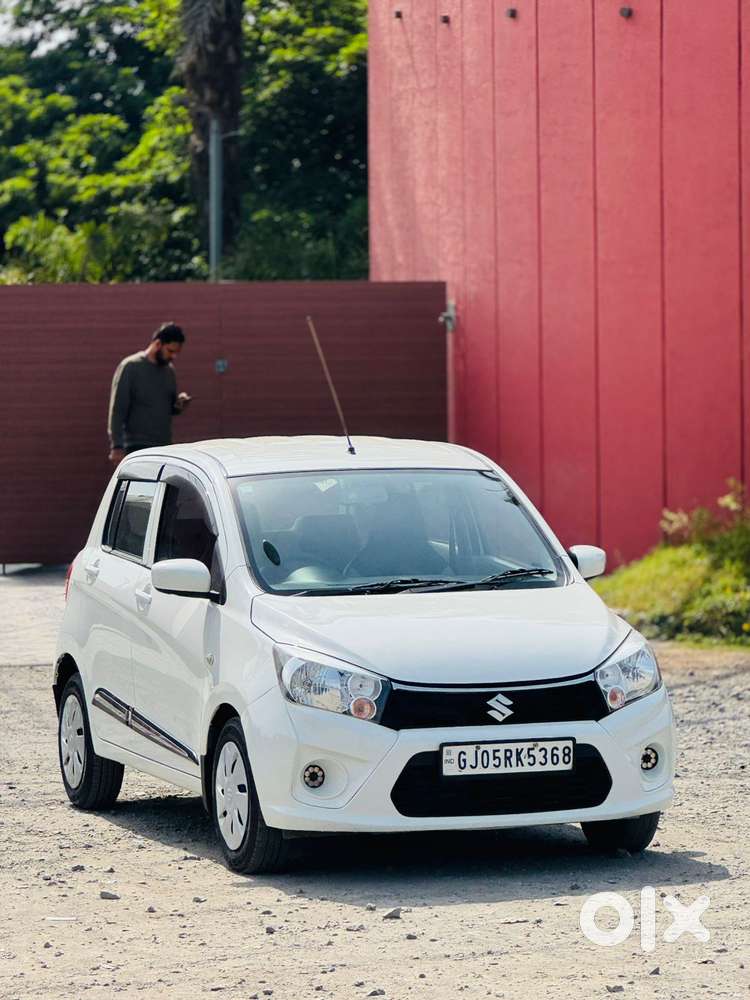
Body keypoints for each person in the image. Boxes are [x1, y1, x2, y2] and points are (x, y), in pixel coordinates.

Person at [107, 322, 192, 464]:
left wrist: (180, 404)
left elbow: (169, 407)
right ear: (158, 344)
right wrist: (117, 446)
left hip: (164, 447)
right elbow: (117, 410)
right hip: (136, 447)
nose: (174, 356)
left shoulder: (169, 371)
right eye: (170, 351)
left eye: (177, 353)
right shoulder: (131, 367)